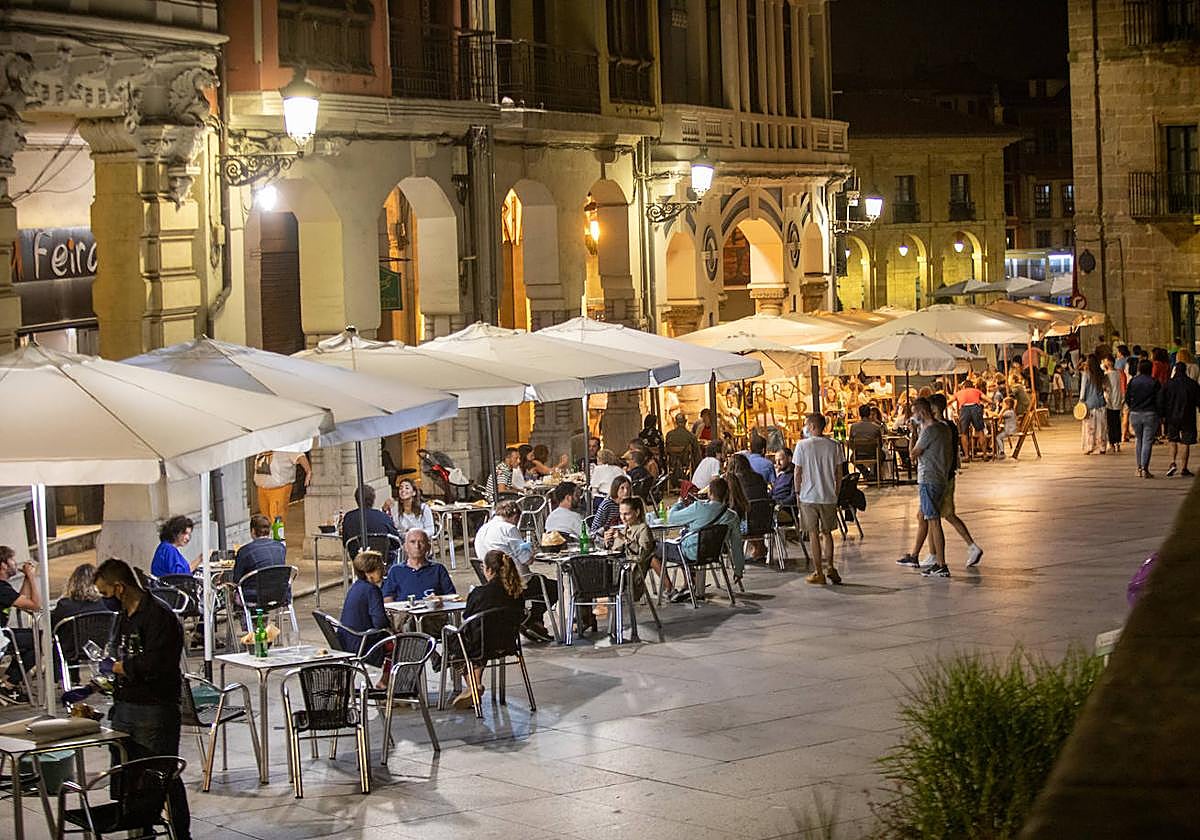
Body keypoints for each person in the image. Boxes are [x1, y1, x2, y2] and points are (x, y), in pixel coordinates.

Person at [94, 557, 189, 840]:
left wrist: (122, 667)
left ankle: (181, 834)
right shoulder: (123, 617)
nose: (103, 599)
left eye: (104, 593)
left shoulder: (159, 616)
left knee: (162, 775)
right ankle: (141, 831)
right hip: (125, 706)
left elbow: (158, 664)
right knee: (130, 776)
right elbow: (118, 653)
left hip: (155, 708)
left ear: (119, 587)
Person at [473, 501, 557, 642]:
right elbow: (526, 559)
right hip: (513, 580)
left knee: (541, 581)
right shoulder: (509, 529)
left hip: (491, 581)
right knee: (552, 587)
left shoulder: (482, 530)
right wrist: (531, 551)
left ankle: (534, 623)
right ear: (514, 516)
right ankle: (530, 619)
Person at [453, 550, 526, 709]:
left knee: (458, 639)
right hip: (508, 643)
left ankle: (473, 685)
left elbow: (467, 615)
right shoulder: (516, 593)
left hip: (481, 645)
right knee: (482, 637)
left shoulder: (480, 593)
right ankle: (474, 685)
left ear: (488, 570)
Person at [660, 476, 744, 602]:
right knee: (683, 543)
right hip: (714, 553)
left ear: (710, 493)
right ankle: (689, 583)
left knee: (655, 549)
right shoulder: (732, 516)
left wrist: (679, 503)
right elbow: (737, 545)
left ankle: (670, 589)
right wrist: (738, 569)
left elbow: (671, 518)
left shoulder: (699, 508)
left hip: (690, 552)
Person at [928, 393, 984, 568]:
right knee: (933, 515)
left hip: (941, 477)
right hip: (946, 474)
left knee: (936, 515)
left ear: (935, 408)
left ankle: (939, 555)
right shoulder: (950, 425)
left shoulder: (940, 427)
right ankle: (932, 553)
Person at [792, 413, 845, 585]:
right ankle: (830, 567)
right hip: (828, 496)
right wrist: (835, 492)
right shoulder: (835, 445)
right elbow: (839, 472)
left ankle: (818, 572)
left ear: (813, 427)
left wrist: (798, 492)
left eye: (806, 424)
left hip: (809, 496)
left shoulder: (802, 446)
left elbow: (797, 472)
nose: (805, 427)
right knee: (827, 533)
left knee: (813, 534)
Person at [903, 398, 952, 578]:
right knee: (923, 515)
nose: (913, 417)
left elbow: (913, 453)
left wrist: (913, 433)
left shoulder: (929, 431)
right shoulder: (944, 427)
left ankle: (941, 563)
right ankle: (916, 555)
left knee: (933, 520)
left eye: (915, 413)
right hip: (940, 477)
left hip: (928, 478)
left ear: (921, 413)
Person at [0, 546, 40, 701]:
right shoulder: (1, 588)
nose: (15, 563)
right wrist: (31, 576)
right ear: (3, 565)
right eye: (12, 559)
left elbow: (20, 600)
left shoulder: (4, 588)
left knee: (35, 638)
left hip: (4, 633)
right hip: (2, 636)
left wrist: (26, 579)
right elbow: (35, 605)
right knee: (42, 639)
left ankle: (9, 682)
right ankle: (8, 684)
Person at [381, 529, 454, 603]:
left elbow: (452, 596)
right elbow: (387, 598)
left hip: (433, 612)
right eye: (412, 542)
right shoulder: (396, 570)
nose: (417, 546)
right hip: (404, 613)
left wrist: (439, 599)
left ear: (428, 547)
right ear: (405, 547)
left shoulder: (438, 569)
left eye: (421, 542)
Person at [607, 496, 659, 597]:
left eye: (627, 514)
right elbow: (614, 552)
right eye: (621, 514)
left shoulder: (643, 529)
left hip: (631, 575)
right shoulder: (625, 529)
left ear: (637, 512)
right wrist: (607, 542)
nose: (623, 518)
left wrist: (624, 539)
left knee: (593, 580)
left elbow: (641, 555)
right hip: (619, 571)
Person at [338, 550, 388, 653]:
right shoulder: (372, 590)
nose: (384, 570)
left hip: (346, 641)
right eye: (380, 567)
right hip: (363, 644)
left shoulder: (355, 587)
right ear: (368, 572)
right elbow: (380, 623)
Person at [230, 513, 287, 600]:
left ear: (253, 531)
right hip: (280, 594)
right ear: (269, 530)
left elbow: (236, 580)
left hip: (254, 596)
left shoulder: (245, 551)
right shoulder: (280, 547)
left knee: (232, 592)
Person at [725, 453, 768, 562]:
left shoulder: (733, 481)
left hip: (744, 524)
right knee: (754, 513)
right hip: (765, 522)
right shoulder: (759, 477)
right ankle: (759, 548)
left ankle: (734, 553)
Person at [341, 484, 400, 560]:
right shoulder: (383, 516)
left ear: (356, 500)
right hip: (382, 560)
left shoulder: (348, 517)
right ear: (373, 500)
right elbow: (396, 542)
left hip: (358, 560)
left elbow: (346, 543)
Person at [1125, 358, 1163, 478]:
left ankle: (1138, 468)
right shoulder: (1154, 382)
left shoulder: (1133, 381)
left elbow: (1127, 397)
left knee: (1139, 440)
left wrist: (1132, 407)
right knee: (1147, 441)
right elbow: (1159, 400)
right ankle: (1145, 468)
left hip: (1135, 413)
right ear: (1150, 369)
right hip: (1150, 413)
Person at [1162, 361, 1200, 477]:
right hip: (1188, 416)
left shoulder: (1168, 384)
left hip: (1172, 416)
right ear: (1185, 371)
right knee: (1186, 442)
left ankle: (1172, 462)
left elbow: (1161, 399)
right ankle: (1184, 468)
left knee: (1173, 440)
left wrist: (1162, 414)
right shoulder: (1192, 384)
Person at [252, 450, 311, 523]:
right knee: (266, 519)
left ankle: (277, 534)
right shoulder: (264, 445)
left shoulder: (286, 447)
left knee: (276, 519)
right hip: (262, 488)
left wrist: (308, 471)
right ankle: (269, 534)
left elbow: (299, 456)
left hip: (279, 489)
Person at [1079, 353, 1109, 455]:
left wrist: (1081, 401)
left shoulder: (1086, 374)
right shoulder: (1102, 374)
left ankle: (1089, 447)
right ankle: (1102, 447)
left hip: (1089, 404)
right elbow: (1106, 388)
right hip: (1101, 404)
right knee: (1101, 427)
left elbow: (1083, 390)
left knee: (1090, 428)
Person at [953, 378, 988, 461]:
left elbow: (949, 401)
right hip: (975, 408)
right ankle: (985, 454)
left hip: (964, 409)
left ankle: (966, 456)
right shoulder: (976, 391)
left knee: (964, 433)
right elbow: (988, 399)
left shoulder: (959, 392)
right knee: (980, 431)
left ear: (963, 386)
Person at [591, 475, 633, 540]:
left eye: (628, 488)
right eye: (622, 488)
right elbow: (593, 531)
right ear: (616, 489)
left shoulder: (630, 504)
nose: (626, 491)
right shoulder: (607, 505)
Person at [1102, 356, 1125, 454]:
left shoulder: (1107, 374)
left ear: (1110, 362)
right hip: (1117, 401)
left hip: (1110, 402)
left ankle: (1112, 443)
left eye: (1106, 361)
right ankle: (1117, 443)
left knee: (1111, 424)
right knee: (1117, 422)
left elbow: (1104, 387)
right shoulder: (1118, 373)